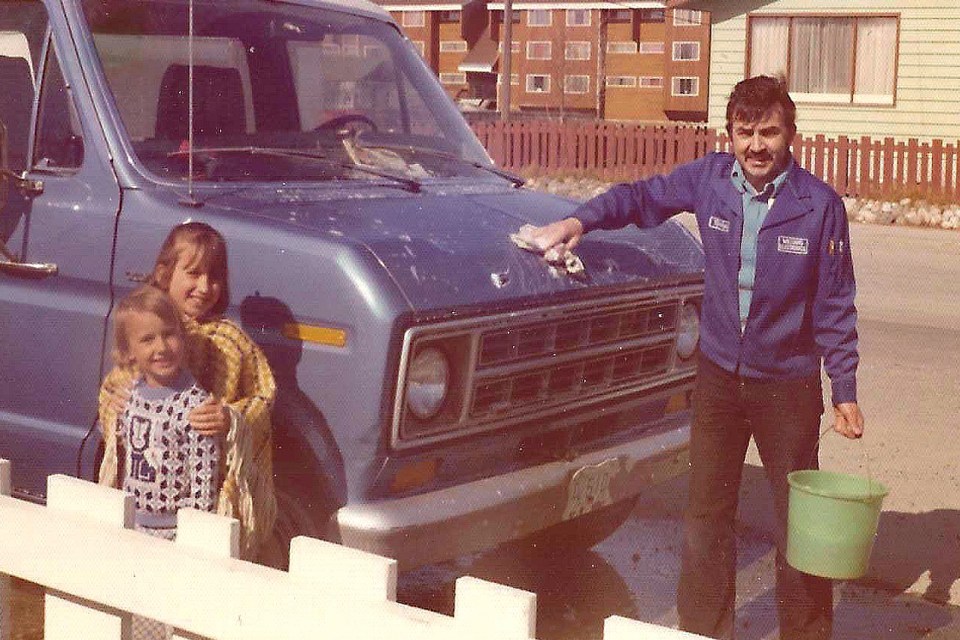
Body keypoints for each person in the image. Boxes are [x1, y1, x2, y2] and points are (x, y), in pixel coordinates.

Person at [523, 75, 863, 640]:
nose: (757, 146)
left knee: (799, 526)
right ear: (729, 134)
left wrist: (844, 389)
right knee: (706, 517)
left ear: (792, 135)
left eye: (770, 133)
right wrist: (576, 221)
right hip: (719, 381)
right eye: (745, 132)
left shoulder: (819, 206)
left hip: (788, 388)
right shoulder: (709, 180)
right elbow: (640, 198)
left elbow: (835, 303)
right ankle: (703, 631)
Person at [99, 222, 277, 561]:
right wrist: (116, 403)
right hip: (149, 495)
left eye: (214, 277)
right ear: (165, 274)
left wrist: (231, 418)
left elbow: (263, 397)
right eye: (193, 273)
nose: (204, 286)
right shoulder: (148, 327)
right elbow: (115, 387)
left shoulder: (231, 341)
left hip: (211, 493)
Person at [107, 285, 220, 640]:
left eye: (169, 335)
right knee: (135, 615)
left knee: (169, 620)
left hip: (174, 532)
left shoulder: (195, 406)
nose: (161, 347)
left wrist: (194, 534)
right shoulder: (132, 398)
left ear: (182, 338)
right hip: (133, 525)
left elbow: (203, 480)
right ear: (128, 353)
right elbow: (125, 457)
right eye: (147, 340)